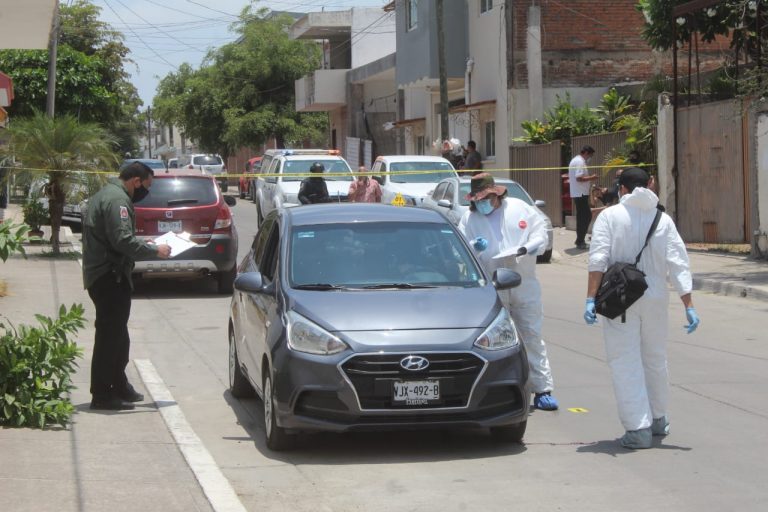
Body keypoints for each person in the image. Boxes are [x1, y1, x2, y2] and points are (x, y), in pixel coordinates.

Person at [583, 167, 700, 449]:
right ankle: (658, 418)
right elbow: (678, 263)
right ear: (649, 184)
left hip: (622, 300)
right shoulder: (663, 218)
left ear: (621, 188)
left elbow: (598, 259)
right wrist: (689, 304)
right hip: (657, 297)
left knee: (625, 361)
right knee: (655, 359)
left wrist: (589, 298)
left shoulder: (609, 217)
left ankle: (638, 428)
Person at [459, 173, 558, 411]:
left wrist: (525, 248)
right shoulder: (469, 218)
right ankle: (499, 389)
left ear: (496, 194)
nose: (482, 204)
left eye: (486, 198)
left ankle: (542, 388)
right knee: (494, 341)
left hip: (524, 282)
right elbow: (461, 250)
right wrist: (475, 248)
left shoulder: (520, 209)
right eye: (478, 200)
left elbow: (540, 234)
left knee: (531, 335)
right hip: (492, 287)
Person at [82, 161, 172, 410]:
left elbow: (118, 238)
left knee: (119, 336)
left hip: (109, 275)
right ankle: (101, 394)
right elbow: (122, 241)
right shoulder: (118, 201)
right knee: (109, 337)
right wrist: (155, 250)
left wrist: (146, 242)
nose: (146, 192)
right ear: (135, 181)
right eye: (146, 186)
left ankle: (119, 385)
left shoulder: (109, 194)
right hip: (109, 277)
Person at [568, 145, 599, 249]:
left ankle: (580, 240)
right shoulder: (580, 162)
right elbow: (579, 178)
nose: (590, 157)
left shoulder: (575, 160)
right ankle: (580, 241)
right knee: (585, 217)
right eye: (590, 155)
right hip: (580, 194)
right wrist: (592, 177)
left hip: (579, 193)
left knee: (584, 216)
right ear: (586, 153)